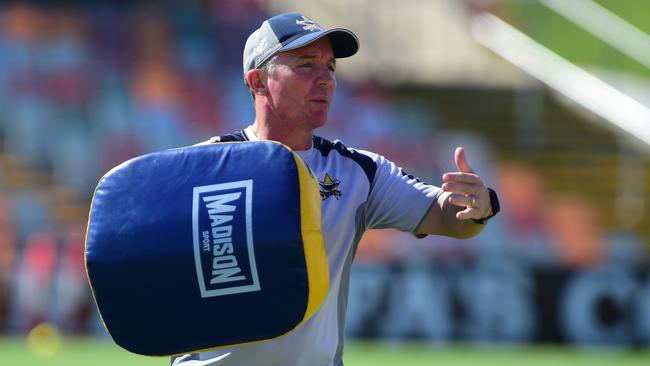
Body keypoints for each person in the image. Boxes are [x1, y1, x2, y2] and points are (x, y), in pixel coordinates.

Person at [172, 12, 499, 366]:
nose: (325, 79)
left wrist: (478, 206)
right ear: (258, 80)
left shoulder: (358, 171)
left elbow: (445, 217)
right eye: (306, 65)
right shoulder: (201, 165)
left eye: (330, 67)